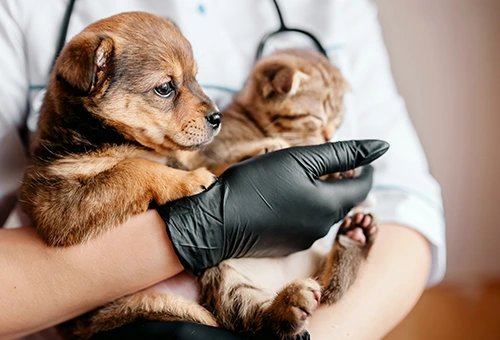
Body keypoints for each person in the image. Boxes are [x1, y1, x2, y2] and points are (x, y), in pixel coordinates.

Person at [0, 1, 445, 339]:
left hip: (269, 301)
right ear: (95, 75)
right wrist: (201, 225)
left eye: (193, 81)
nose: (207, 109)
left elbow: (408, 204)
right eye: (166, 89)